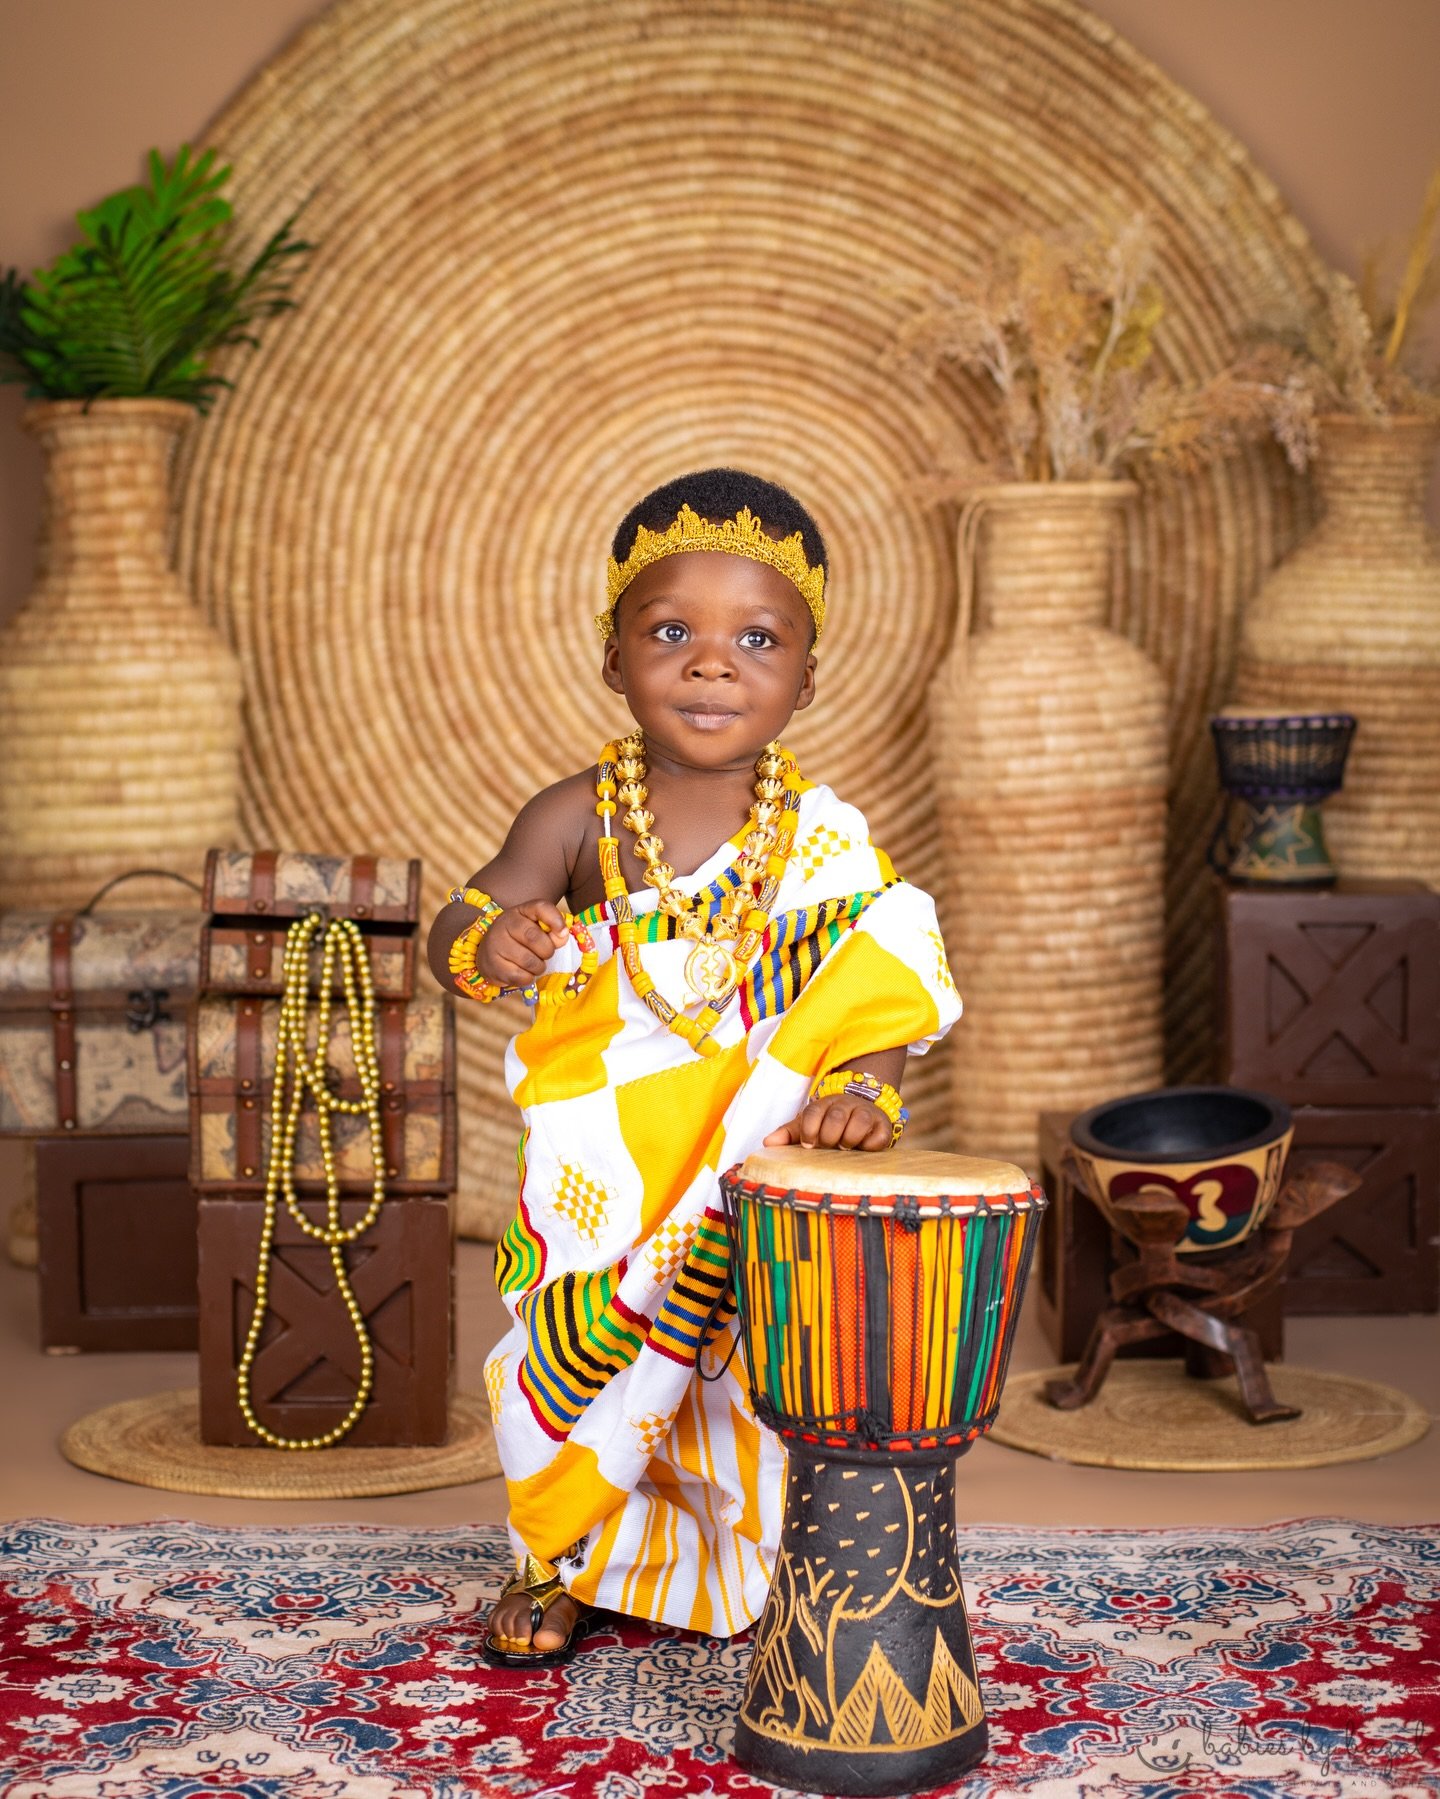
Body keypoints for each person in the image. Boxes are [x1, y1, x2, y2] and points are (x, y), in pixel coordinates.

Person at [426, 467, 961, 1667]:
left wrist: (862, 1086)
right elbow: (463, 918)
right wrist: (493, 937)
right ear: (613, 658)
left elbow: (875, 971)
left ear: (806, 678)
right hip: (602, 1172)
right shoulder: (577, 815)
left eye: (756, 640)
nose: (712, 665)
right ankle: (555, 1556)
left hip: (748, 1157)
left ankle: (749, 1557)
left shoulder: (822, 838)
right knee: (569, 1352)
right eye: (671, 632)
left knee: (739, 1366)